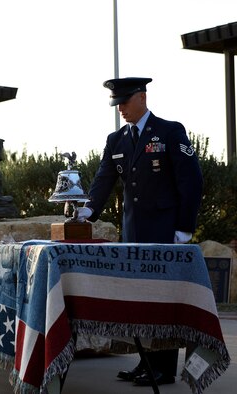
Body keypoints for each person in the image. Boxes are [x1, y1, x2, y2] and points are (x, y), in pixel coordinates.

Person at [76, 77, 203, 386]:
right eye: (116, 103)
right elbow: (103, 180)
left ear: (142, 97)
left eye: (124, 101)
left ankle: (164, 368)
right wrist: (87, 213)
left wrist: (184, 229)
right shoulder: (116, 139)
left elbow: (191, 182)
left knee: (164, 300)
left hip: (165, 233)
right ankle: (145, 362)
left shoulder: (170, 132)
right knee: (139, 301)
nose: (120, 108)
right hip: (133, 233)